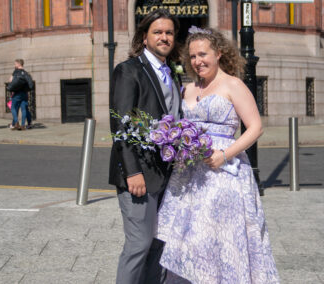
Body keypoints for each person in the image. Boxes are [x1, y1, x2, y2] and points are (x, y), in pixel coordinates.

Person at [156, 27, 280, 283]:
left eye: (203, 54)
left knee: (219, 238)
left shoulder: (233, 85)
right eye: (192, 56)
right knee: (189, 239)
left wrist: (225, 154)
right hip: (190, 175)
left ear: (219, 53)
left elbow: (255, 127)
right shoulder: (187, 89)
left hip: (224, 174)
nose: (197, 61)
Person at [109, 9, 182, 284]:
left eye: (169, 33)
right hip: (139, 175)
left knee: (157, 244)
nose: (164, 37)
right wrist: (132, 172)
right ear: (144, 37)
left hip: (166, 174)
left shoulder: (172, 74)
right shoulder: (128, 71)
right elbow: (121, 124)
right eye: (158, 32)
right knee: (139, 244)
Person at [8, 59, 32, 130]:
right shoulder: (26, 73)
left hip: (17, 93)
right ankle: (23, 125)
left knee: (13, 108)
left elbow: (10, 80)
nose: (14, 65)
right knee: (23, 109)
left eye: (15, 64)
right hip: (24, 94)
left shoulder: (16, 72)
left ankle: (16, 122)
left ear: (18, 64)